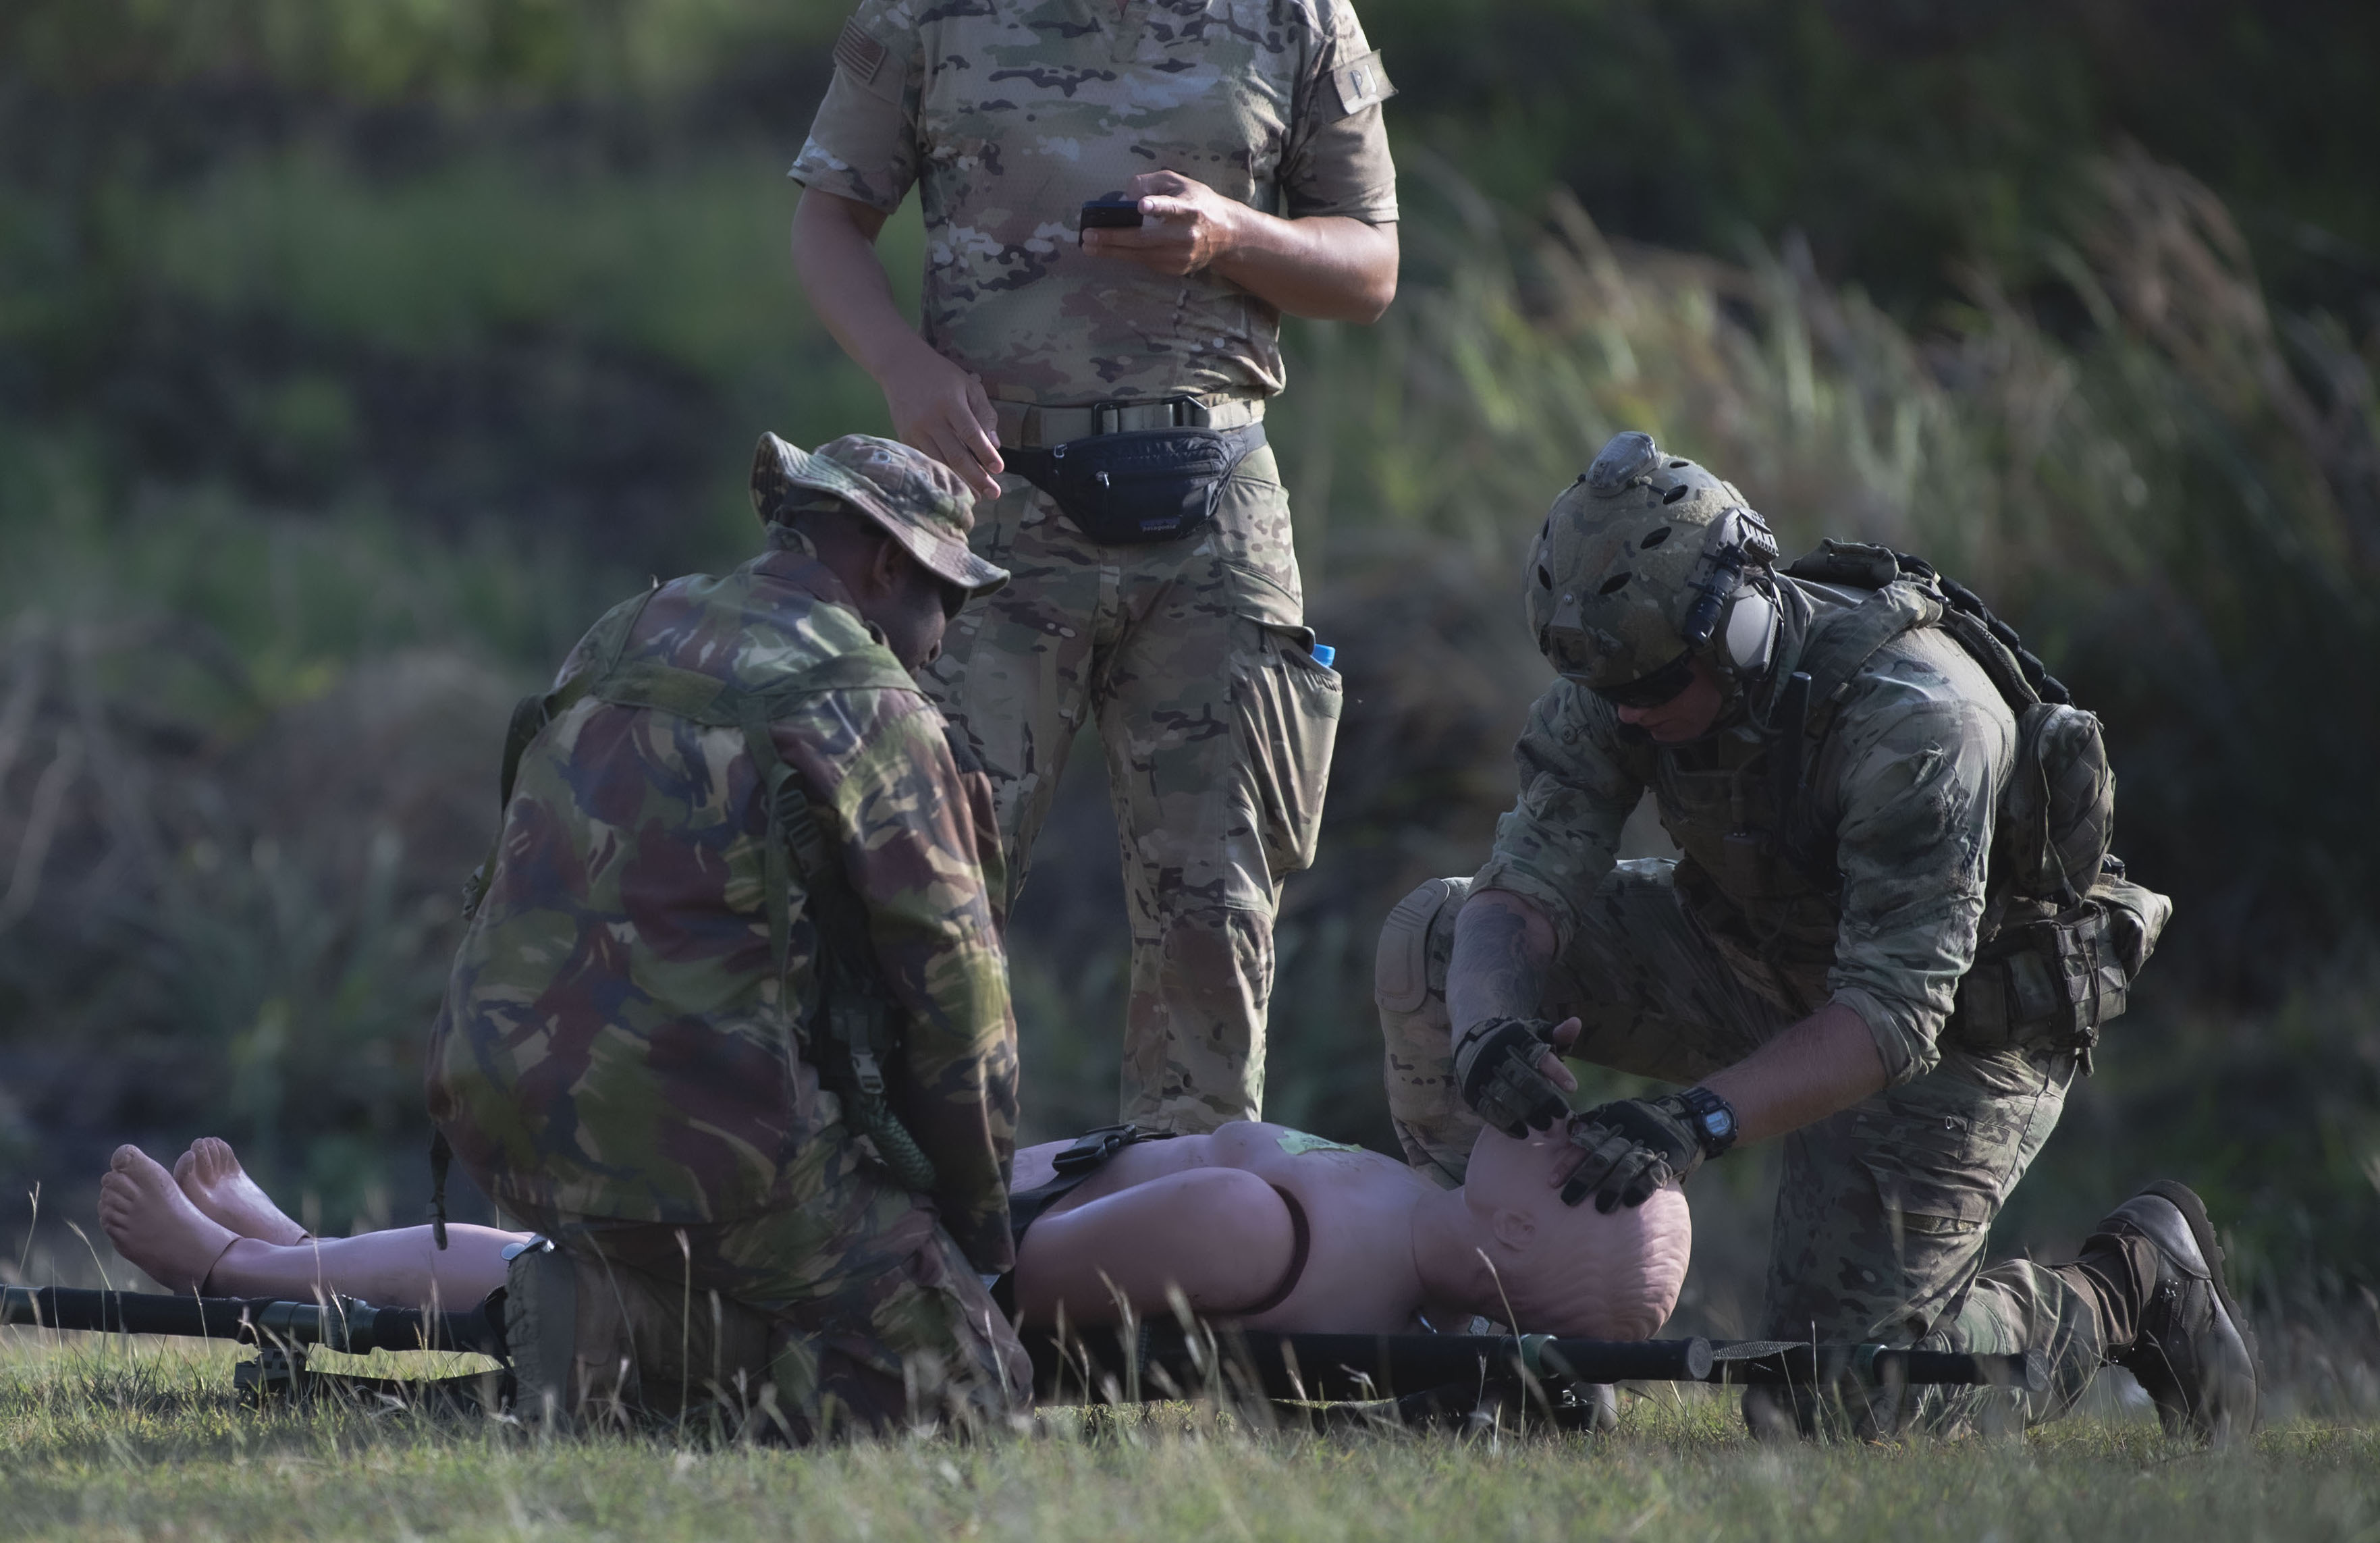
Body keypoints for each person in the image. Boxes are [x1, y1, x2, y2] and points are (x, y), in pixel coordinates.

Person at [1375, 430, 2259, 1441]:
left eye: (1654, 690)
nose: (1630, 714)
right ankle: (1500, 1335)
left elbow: (1890, 1014)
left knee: (1834, 1409)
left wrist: (1693, 1122)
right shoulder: (1624, 668)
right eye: (1610, 693)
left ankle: (2125, 1289)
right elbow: (1518, 893)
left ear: (1737, 625)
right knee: (1438, 941)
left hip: (1960, 1026)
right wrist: (1491, 1033)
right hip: (1758, 957)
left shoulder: (1916, 722)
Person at [786, 0, 1401, 1134]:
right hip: (987, 502)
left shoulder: (1296, 17)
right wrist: (901, 368)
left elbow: (1368, 265)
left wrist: (1233, 236)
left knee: (1213, 912)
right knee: (926, 890)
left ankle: (1183, 1265)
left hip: (1213, 512)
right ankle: (911, 1249)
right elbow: (828, 224)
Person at [421, 433, 1027, 1438]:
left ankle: (608, 1309)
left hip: (502, 1117)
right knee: (968, 1396)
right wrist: (971, 1233)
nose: (939, 639)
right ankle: (626, 1341)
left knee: (769, 1262)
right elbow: (959, 1003)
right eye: (945, 601)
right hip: (710, 1145)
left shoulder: (621, 632)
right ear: (885, 564)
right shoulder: (866, 702)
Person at [98, 1125, 1690, 1345]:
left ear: (1506, 1234)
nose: (1556, 1124)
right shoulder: (1354, 1225)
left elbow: (992, 1276)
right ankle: (304, 1252)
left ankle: (230, 1269)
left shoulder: (1250, 1225)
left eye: (1573, 1168)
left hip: (875, 1288)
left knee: (558, 1270)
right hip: (927, 1240)